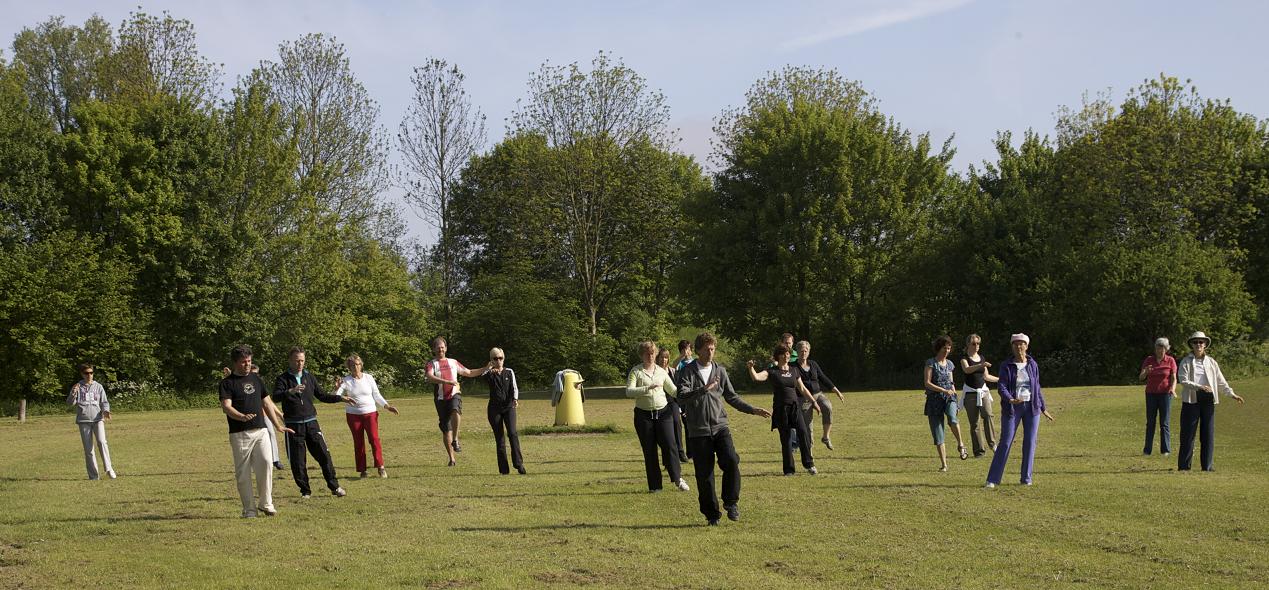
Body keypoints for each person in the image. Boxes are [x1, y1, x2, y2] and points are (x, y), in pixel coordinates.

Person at [675, 332, 772, 525]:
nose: (711, 353)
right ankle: (712, 515)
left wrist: (753, 410)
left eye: (713, 349)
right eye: (707, 349)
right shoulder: (687, 372)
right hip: (699, 430)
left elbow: (732, 397)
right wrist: (704, 389)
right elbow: (682, 397)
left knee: (731, 461)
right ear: (698, 350)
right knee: (704, 475)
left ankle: (731, 503)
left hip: (720, 427)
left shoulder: (720, 371)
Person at [219, 344, 292, 518]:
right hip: (240, 433)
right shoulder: (227, 383)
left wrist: (277, 425)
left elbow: (267, 403)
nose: (247, 365)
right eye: (243, 362)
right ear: (236, 362)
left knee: (267, 463)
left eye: (249, 361)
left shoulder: (256, 379)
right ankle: (249, 510)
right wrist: (241, 416)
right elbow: (226, 407)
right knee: (243, 473)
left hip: (261, 431)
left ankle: (266, 504)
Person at [272, 347, 350, 498]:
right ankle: (305, 491)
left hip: (312, 423)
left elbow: (321, 395)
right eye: (297, 360)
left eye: (302, 360)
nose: (300, 363)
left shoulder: (309, 377)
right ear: (290, 360)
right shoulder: (283, 379)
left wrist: (340, 398)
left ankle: (335, 487)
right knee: (298, 461)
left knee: (324, 456)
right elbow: (275, 397)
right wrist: (290, 391)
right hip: (293, 426)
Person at [985, 334, 1055, 488]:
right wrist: (1010, 399)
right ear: (1012, 347)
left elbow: (1037, 386)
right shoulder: (1006, 365)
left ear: (1027, 346)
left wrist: (1043, 408)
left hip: (1032, 407)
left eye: (1021, 344)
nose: (1018, 347)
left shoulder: (1033, 364)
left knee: (1030, 442)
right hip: (1012, 408)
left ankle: (1026, 479)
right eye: (1015, 344)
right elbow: (1001, 386)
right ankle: (992, 479)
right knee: (1005, 441)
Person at [625, 341, 689, 492]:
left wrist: (688, 394)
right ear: (641, 355)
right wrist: (647, 388)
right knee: (650, 450)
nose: (650, 356)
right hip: (643, 416)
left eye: (653, 353)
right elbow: (629, 391)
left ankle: (677, 478)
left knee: (670, 446)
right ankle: (655, 486)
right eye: (647, 353)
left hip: (663, 413)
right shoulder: (636, 371)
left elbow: (673, 391)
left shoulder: (661, 371)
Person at [1176, 331, 1244, 472]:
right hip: (1191, 400)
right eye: (1195, 342)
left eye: (1201, 342)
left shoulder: (1211, 362)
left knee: (1208, 434)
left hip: (1208, 400)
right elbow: (1183, 380)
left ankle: (1207, 467)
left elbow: (1221, 381)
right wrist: (1200, 387)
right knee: (1188, 434)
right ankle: (1184, 467)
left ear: (1205, 344)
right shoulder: (1186, 361)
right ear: (1192, 345)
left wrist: (1232, 394)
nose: (1198, 344)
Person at [748, 344, 820, 476]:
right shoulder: (773, 371)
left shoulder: (794, 370)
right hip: (781, 409)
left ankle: (809, 464)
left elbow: (802, 389)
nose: (786, 356)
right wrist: (751, 368)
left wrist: (813, 401)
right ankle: (789, 470)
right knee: (786, 439)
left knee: (803, 433)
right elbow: (757, 377)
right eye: (784, 354)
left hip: (795, 407)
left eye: (788, 354)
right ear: (778, 356)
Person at [424, 336, 489, 466]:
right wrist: (446, 381)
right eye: (438, 348)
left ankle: (455, 439)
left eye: (442, 347)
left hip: (454, 393)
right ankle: (451, 458)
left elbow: (469, 372)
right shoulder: (431, 364)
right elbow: (430, 377)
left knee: (456, 410)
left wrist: (485, 368)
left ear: (446, 348)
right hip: (440, 399)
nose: (440, 350)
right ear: (434, 349)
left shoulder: (453, 362)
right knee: (445, 428)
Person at [335, 354, 399, 478]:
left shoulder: (369, 378)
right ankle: (362, 470)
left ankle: (380, 467)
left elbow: (376, 394)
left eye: (358, 364)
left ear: (361, 365)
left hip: (370, 414)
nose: (356, 367)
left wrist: (387, 406)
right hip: (353, 416)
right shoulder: (346, 380)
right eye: (353, 365)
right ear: (349, 367)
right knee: (358, 442)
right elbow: (337, 395)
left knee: (374, 439)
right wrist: (339, 392)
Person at [925, 336, 968, 471]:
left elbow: (951, 382)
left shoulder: (949, 364)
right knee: (938, 433)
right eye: (945, 348)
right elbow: (927, 383)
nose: (947, 351)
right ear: (939, 348)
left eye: (949, 348)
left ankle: (961, 444)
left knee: (952, 418)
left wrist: (954, 394)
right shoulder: (931, 363)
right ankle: (944, 465)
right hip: (934, 400)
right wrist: (943, 390)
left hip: (949, 398)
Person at [793, 340, 845, 450]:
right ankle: (809, 453)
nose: (804, 353)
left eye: (806, 351)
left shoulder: (813, 364)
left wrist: (837, 391)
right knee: (808, 426)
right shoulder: (793, 366)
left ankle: (826, 437)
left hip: (818, 394)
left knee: (827, 406)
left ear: (809, 352)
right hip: (803, 398)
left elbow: (823, 378)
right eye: (801, 351)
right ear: (797, 352)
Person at [67, 363, 115, 480]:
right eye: (86, 373)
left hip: (98, 419)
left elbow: (104, 402)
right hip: (83, 421)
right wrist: (73, 392)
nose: (89, 375)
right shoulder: (78, 386)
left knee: (102, 442)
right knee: (89, 449)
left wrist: (106, 411)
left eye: (91, 373)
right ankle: (93, 476)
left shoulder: (98, 386)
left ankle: (109, 469)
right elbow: (70, 403)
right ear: (82, 374)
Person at [484, 347, 526, 475]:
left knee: (513, 433)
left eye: (500, 358)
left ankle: (519, 464)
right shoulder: (489, 374)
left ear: (504, 358)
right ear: (491, 360)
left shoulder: (509, 372)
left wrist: (515, 399)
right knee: (500, 439)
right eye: (495, 358)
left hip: (508, 407)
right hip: (494, 409)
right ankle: (503, 470)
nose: (498, 361)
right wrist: (488, 369)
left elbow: (514, 387)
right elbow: (482, 376)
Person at [958, 334, 1000, 458]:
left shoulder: (982, 358)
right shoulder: (964, 359)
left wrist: (1001, 379)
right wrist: (981, 365)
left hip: (983, 392)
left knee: (988, 415)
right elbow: (967, 370)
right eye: (974, 343)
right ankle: (979, 451)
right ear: (968, 345)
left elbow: (986, 376)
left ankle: (993, 444)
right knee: (974, 423)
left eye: (978, 343)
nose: (976, 346)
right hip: (970, 394)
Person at [1139, 337, 1178, 457]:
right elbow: (1141, 378)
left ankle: (1165, 450)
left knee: (1164, 423)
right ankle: (1147, 450)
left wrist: (1172, 388)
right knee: (1150, 422)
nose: (1160, 350)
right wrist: (1146, 371)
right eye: (1158, 347)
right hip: (1151, 394)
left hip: (1165, 394)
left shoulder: (1170, 360)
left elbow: (1174, 377)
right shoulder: (1149, 360)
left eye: (1162, 348)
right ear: (1155, 348)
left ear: (1166, 349)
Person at [658, 347, 690, 462]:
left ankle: (681, 453)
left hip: (673, 402)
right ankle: (667, 458)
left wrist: (683, 407)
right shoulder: (655, 371)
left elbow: (678, 390)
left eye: (666, 357)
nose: (664, 360)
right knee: (665, 431)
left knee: (677, 424)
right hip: (660, 403)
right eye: (661, 357)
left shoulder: (672, 371)